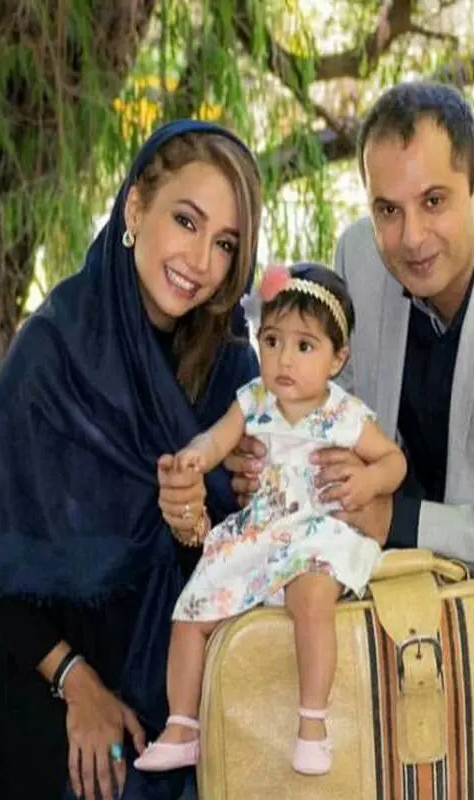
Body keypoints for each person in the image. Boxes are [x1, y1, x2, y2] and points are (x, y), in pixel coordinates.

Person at [159, 82, 474, 707]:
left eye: (434, 201)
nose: (411, 237)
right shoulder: (358, 255)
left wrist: (398, 519)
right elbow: (332, 426)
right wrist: (279, 460)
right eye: (388, 210)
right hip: (401, 607)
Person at [0, 119, 264, 800]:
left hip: (175, 682)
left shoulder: (232, 369)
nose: (201, 259)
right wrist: (78, 684)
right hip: (41, 669)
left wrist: (199, 523)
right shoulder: (52, 352)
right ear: (136, 207)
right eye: (186, 221)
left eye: (225, 243)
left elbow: (237, 565)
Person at [134, 263, 406, 777]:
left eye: (304, 346)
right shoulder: (254, 401)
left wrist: (370, 481)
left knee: (312, 592)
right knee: (192, 607)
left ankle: (312, 723)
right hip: (262, 533)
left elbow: (394, 461)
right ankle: (182, 725)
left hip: (318, 533)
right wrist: (194, 457)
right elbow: (216, 438)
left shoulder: (343, 414)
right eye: (272, 340)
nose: (284, 358)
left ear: (337, 358)